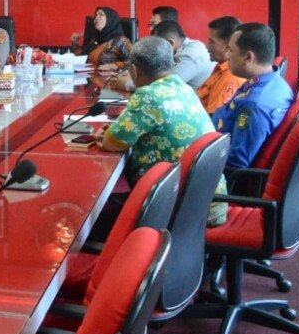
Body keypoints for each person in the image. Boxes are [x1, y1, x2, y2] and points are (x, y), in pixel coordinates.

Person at [96, 38, 226, 226]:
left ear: (134, 70)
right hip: (210, 200)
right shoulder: (184, 88)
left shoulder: (148, 96)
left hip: (180, 206)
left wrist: (109, 136)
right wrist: (116, 132)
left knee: (100, 223)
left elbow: (111, 143)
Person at [212, 22, 293, 170]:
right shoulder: (272, 81)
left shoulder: (253, 104)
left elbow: (235, 163)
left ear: (248, 57)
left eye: (231, 50)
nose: (227, 55)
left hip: (217, 163)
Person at [197, 16, 246, 114]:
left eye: (212, 42)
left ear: (228, 46)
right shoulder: (220, 69)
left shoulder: (229, 77)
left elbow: (214, 119)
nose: (207, 46)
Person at [152, 20, 214, 88]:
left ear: (170, 43)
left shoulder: (189, 56)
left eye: (157, 46)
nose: (156, 50)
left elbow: (166, 86)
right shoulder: (193, 44)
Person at [72, 7, 133, 71]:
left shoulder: (120, 41)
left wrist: (116, 65)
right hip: (90, 75)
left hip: (111, 76)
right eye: (96, 15)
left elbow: (135, 60)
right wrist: (74, 44)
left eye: (101, 15)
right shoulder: (95, 40)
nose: (96, 18)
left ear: (110, 20)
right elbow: (81, 56)